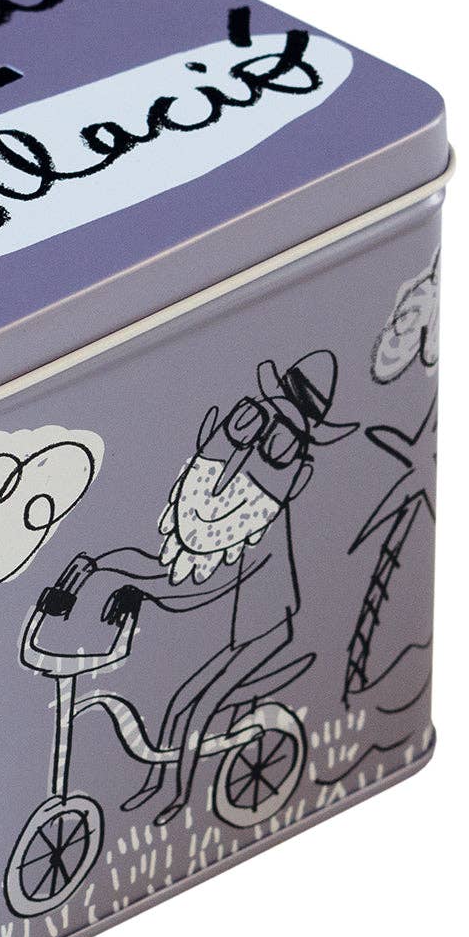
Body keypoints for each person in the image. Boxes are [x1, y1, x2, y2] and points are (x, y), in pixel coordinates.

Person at [100, 350, 356, 825]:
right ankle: (156, 784)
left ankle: (178, 797)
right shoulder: (233, 518)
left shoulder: (258, 530)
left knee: (197, 706)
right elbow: (178, 567)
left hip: (266, 632)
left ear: (298, 476)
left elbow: (204, 590)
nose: (250, 453)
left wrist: (144, 591)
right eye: (252, 424)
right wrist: (117, 574)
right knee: (179, 703)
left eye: (279, 444)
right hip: (245, 631)